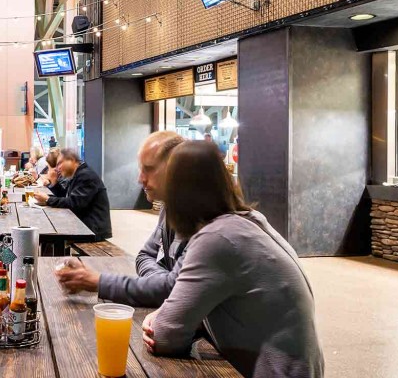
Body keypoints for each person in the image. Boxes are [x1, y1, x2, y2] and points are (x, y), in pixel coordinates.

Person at [141, 141, 324, 378]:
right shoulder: (248, 221)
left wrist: (167, 314)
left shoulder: (217, 238)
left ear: (178, 193)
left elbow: (165, 336)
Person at [57, 132, 189, 307]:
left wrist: (97, 282)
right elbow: (144, 256)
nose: (140, 178)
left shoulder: (212, 230)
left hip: (92, 229)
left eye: (148, 169)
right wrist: (161, 281)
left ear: (176, 168)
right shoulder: (169, 208)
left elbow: (173, 290)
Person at [32, 148, 112, 241]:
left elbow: (74, 203)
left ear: (72, 160)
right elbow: (65, 197)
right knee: (47, 228)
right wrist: (54, 183)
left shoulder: (86, 175)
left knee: (48, 231)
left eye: (60, 163)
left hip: (91, 229)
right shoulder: (78, 174)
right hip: (82, 224)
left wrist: (48, 200)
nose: (57, 168)